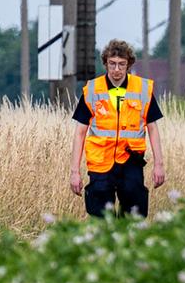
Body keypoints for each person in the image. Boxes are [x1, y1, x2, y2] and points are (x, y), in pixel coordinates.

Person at [69, 39, 166, 217]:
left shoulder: (143, 89)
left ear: (129, 65)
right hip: (100, 162)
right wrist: (74, 172)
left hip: (131, 160)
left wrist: (159, 164)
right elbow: (80, 132)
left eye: (122, 64)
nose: (116, 70)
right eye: (112, 64)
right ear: (105, 63)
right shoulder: (92, 90)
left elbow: (153, 128)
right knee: (100, 216)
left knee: (133, 214)